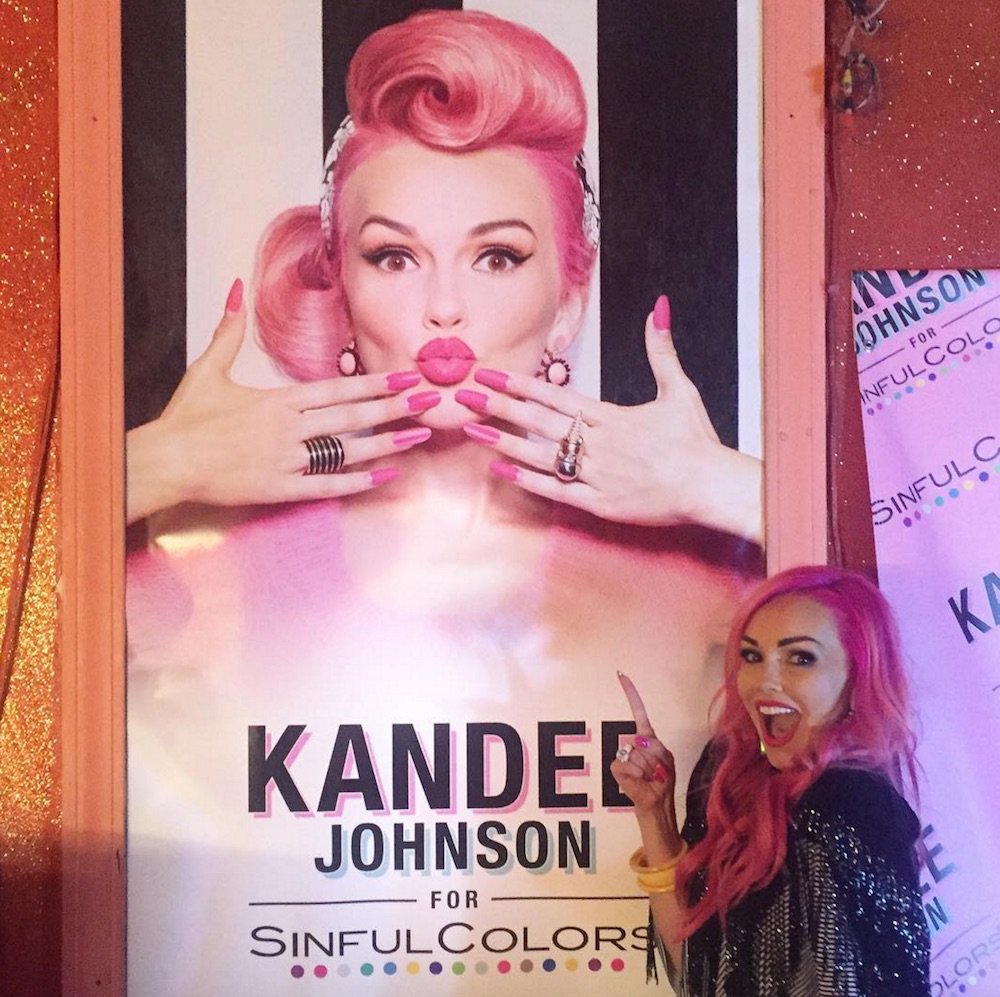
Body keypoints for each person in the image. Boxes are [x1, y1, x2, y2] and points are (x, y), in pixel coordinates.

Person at [124, 11, 762, 993]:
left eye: (497, 256)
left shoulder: (708, 569)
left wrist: (720, 486)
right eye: (394, 256)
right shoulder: (188, 561)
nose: (445, 308)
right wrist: (153, 466)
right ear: (341, 287)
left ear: (570, 297)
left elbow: (909, 686)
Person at [612, 565, 931, 996]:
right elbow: (694, 975)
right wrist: (654, 816)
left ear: (857, 677)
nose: (766, 680)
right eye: (752, 656)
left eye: (800, 658)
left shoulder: (854, 804)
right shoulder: (727, 776)